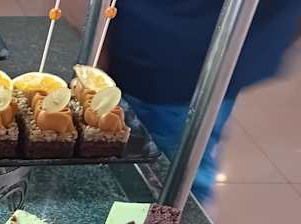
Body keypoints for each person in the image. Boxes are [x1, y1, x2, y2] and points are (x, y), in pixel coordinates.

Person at [106, 0, 301, 202]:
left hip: (183, 64)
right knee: (147, 160)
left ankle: (172, 217)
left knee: (173, 178)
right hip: (155, 50)